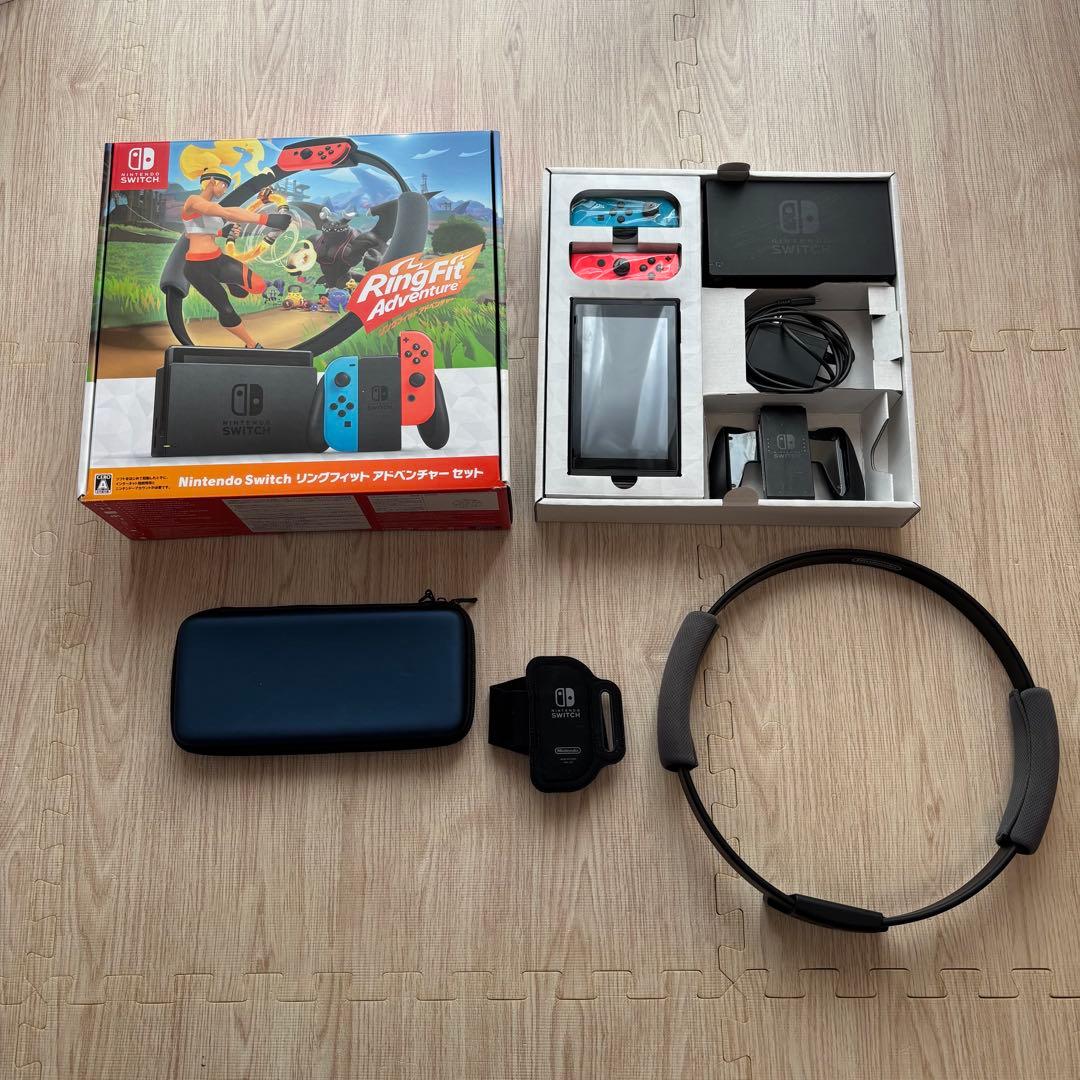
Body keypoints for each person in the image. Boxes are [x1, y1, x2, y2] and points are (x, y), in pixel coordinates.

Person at [180, 168, 291, 348]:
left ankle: (228, 281)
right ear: (212, 181)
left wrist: (223, 233)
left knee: (258, 286)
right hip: (197, 268)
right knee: (226, 309)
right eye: (224, 185)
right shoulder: (193, 201)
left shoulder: (211, 209)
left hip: (218, 260)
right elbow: (227, 212)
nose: (225, 190)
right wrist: (266, 220)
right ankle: (251, 344)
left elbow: (193, 231)